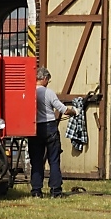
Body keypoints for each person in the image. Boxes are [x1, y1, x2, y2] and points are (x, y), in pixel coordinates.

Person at [30, 67, 77, 198]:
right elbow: (63, 110)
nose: (48, 82)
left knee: (36, 160)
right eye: (48, 80)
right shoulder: (49, 93)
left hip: (34, 128)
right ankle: (55, 191)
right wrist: (74, 112)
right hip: (49, 127)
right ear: (44, 78)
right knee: (54, 160)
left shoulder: (30, 92)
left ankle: (36, 191)